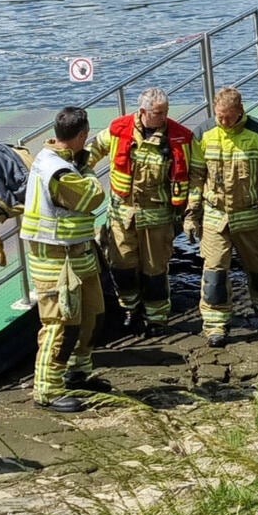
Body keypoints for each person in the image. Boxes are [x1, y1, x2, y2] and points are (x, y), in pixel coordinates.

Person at [86, 88, 202, 337]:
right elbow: (93, 151)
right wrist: (77, 174)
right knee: (121, 266)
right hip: (121, 215)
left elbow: (196, 176)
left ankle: (157, 319)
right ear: (142, 112)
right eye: (158, 113)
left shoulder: (181, 137)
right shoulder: (119, 129)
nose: (163, 117)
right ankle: (130, 310)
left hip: (158, 219)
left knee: (155, 271)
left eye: (165, 112)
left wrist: (192, 211)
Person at [20, 106, 108, 413]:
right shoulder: (57, 170)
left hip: (78, 251)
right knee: (61, 324)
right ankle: (46, 389)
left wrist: (83, 164)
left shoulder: (61, 158)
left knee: (92, 314)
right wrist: (90, 170)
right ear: (81, 135)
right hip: (55, 259)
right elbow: (93, 196)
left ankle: (78, 372)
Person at [192, 86, 258, 348]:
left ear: (240, 111)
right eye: (219, 116)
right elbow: (196, 178)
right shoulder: (203, 134)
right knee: (214, 276)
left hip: (251, 216)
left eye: (228, 117)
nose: (223, 121)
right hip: (215, 216)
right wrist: (191, 215)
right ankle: (216, 326)